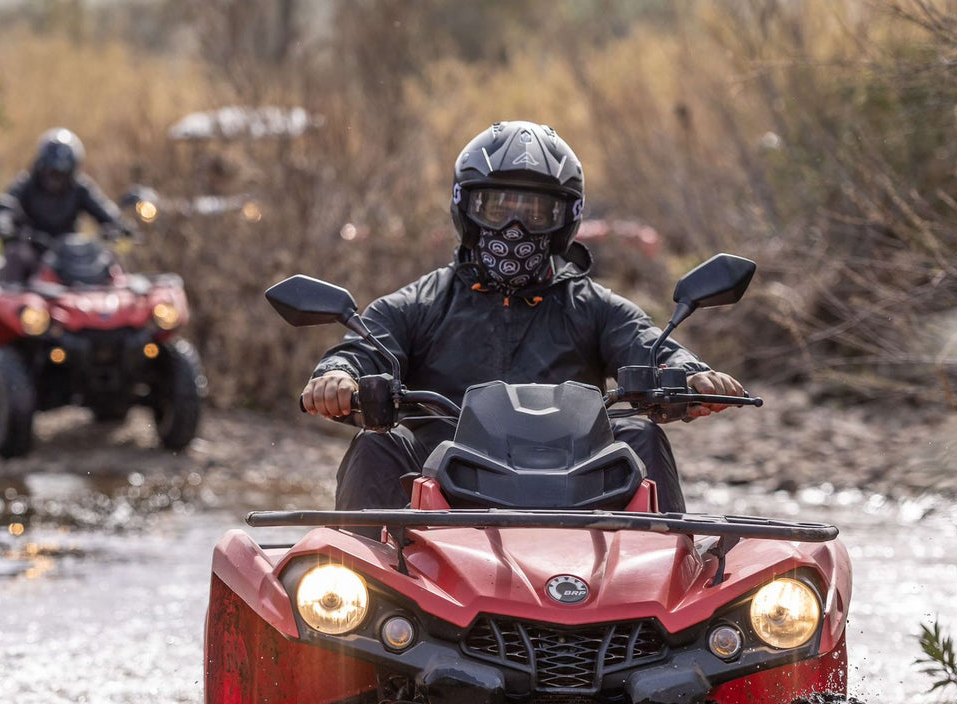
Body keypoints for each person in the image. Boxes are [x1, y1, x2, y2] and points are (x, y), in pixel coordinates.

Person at [300, 120, 744, 514]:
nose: (515, 229)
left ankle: (664, 578)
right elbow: (363, 347)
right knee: (379, 444)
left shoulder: (593, 306)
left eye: (536, 213)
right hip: (441, 487)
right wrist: (337, 375)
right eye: (498, 209)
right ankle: (366, 588)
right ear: (466, 210)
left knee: (639, 434)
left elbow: (648, 343)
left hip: (581, 483)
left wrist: (689, 374)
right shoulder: (419, 303)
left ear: (564, 219)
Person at [0, 128, 128, 283]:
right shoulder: (27, 183)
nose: (56, 178)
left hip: (69, 252)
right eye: (52, 171)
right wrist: (2, 222)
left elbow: (103, 208)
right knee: (17, 254)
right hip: (34, 246)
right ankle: (11, 300)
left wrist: (119, 224)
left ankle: (116, 301)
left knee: (108, 257)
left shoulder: (79, 187)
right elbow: (7, 203)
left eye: (62, 173)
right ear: (42, 166)